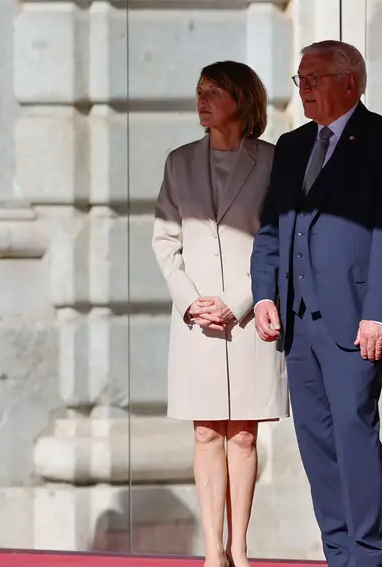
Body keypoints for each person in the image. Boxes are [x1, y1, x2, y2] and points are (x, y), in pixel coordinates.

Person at [250, 40, 382, 567]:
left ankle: (367, 552)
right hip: (297, 323)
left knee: (354, 431)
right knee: (316, 441)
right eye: (300, 78)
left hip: (356, 319)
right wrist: (263, 293)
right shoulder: (293, 144)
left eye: (314, 78)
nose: (303, 88)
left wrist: (381, 312)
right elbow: (271, 227)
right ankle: (338, 551)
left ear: (351, 82)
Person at [152, 60, 289, 567]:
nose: (202, 99)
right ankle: (213, 552)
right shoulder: (179, 161)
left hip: (252, 314)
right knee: (206, 430)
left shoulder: (275, 161)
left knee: (245, 433)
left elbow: (278, 240)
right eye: (199, 91)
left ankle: (240, 547)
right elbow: (165, 241)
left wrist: (237, 304)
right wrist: (192, 301)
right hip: (196, 320)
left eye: (214, 91)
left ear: (242, 99)